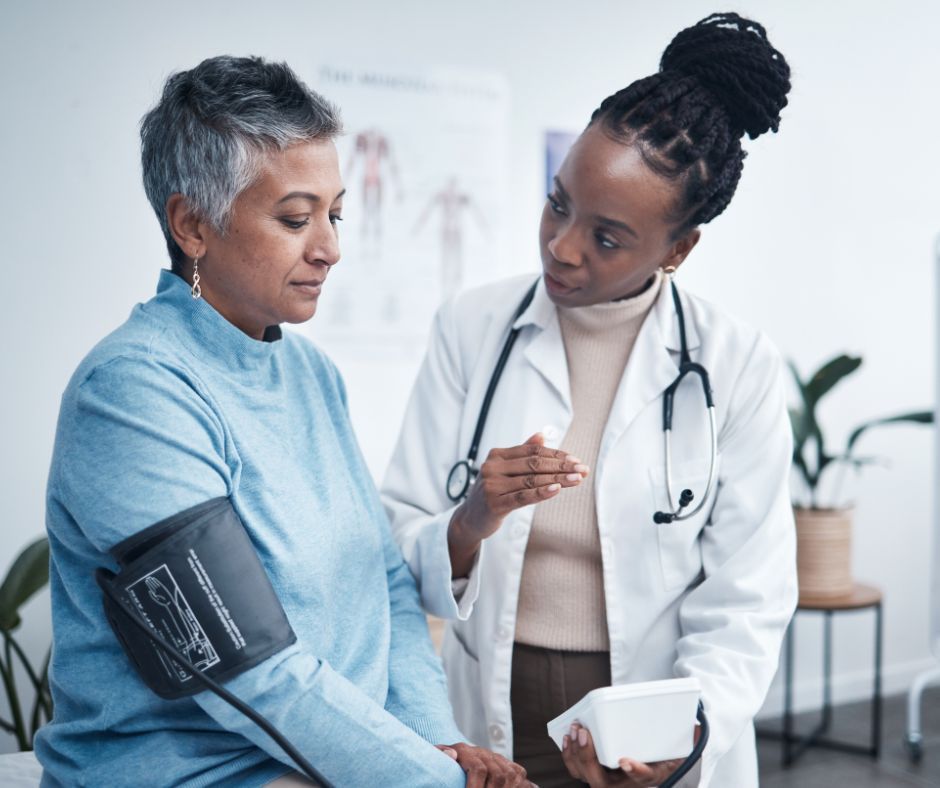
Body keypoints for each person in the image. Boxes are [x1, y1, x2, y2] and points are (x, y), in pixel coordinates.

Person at [34, 55, 529, 788]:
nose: (330, 247)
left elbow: (384, 585)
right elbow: (246, 666)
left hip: (346, 765)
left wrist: (436, 742)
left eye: (334, 214)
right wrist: (434, 781)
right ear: (192, 225)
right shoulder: (132, 394)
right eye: (296, 218)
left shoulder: (310, 375)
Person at [382, 13, 797, 788]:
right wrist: (471, 522)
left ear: (677, 249)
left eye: (606, 237)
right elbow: (396, 533)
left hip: (648, 731)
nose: (562, 246)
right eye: (557, 202)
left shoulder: (735, 365)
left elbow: (747, 598)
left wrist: (684, 743)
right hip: (490, 722)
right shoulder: (473, 327)